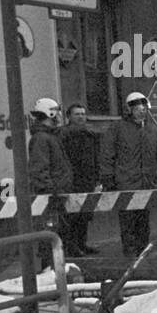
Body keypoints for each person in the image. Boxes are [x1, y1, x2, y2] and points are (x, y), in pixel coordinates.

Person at [100, 92, 157, 256]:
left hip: (146, 182)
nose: (142, 111)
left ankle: (143, 250)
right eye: (138, 109)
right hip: (126, 181)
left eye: (144, 108)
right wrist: (108, 177)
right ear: (129, 110)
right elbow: (107, 153)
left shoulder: (152, 129)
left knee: (143, 219)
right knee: (128, 220)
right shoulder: (118, 128)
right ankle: (130, 253)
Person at [27, 98, 75, 267]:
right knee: (50, 239)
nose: (60, 115)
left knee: (57, 237)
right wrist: (50, 193)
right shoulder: (42, 138)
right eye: (57, 111)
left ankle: (56, 272)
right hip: (51, 199)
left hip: (56, 197)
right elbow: (39, 170)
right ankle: (51, 273)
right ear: (50, 113)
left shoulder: (49, 137)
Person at [59, 103, 101, 255]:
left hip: (87, 180)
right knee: (72, 216)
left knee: (85, 215)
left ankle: (82, 244)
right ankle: (72, 247)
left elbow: (95, 158)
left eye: (83, 114)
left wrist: (97, 178)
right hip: (72, 181)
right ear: (69, 117)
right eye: (77, 114)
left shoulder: (90, 135)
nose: (81, 117)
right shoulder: (63, 135)